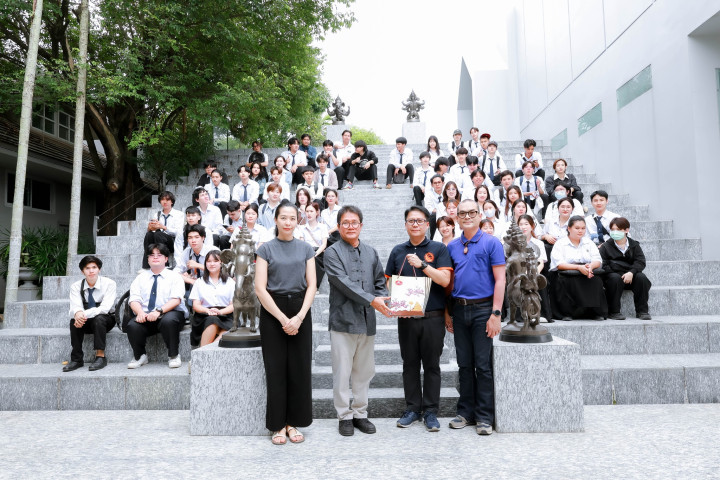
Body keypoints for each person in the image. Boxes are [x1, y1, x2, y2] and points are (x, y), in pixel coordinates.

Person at [324, 205, 390, 436]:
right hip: (343, 321)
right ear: (338, 226)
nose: (350, 226)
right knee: (342, 373)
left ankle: (360, 413)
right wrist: (373, 300)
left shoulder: (371, 252)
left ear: (361, 225)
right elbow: (343, 283)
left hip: (367, 320)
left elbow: (380, 281)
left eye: (354, 222)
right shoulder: (332, 253)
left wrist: (384, 299)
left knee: (364, 371)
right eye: (346, 223)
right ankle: (344, 416)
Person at [385, 206, 452, 431]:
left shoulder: (438, 248)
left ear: (427, 224)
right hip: (406, 317)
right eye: (411, 221)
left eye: (419, 220)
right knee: (410, 364)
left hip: (433, 317)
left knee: (432, 365)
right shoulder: (397, 251)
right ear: (405, 224)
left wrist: (423, 265)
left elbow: (444, 280)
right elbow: (387, 281)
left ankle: (431, 412)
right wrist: (397, 295)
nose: (415, 224)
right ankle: (412, 408)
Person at [255, 203, 317, 445]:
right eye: (283, 218)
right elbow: (260, 288)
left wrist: (299, 317)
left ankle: (294, 423)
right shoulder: (265, 249)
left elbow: (312, 285)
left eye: (292, 218)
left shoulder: (306, 249)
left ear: (297, 220)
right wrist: (282, 318)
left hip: (301, 309)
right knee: (276, 369)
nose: (288, 222)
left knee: (299, 369)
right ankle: (278, 425)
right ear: (276, 220)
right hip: (273, 311)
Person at [446, 199, 506, 435]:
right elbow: (449, 283)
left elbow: (500, 279)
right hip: (459, 310)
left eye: (472, 212)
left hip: (484, 310)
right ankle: (465, 413)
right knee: (464, 364)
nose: (467, 216)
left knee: (482, 366)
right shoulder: (452, 246)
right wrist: (448, 313)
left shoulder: (492, 243)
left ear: (480, 215)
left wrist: (496, 313)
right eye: (462, 213)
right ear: (457, 218)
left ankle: (484, 416)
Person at [126, 244, 187, 369]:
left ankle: (174, 355)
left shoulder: (175, 277)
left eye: (159, 255)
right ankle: (140, 356)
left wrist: (159, 311)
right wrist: (140, 312)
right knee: (132, 325)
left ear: (166, 259)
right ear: (147, 259)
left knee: (168, 320)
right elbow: (134, 299)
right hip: (147, 315)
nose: (155, 257)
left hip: (171, 313)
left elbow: (176, 300)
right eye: (152, 255)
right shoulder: (140, 278)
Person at [63, 255, 117, 372]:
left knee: (99, 319)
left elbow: (105, 308)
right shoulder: (76, 286)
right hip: (86, 321)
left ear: (99, 269)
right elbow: (75, 306)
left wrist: (82, 314)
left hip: (106, 320)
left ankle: (100, 357)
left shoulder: (109, 284)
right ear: (83, 271)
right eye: (87, 268)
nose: (91, 271)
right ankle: (77, 359)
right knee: (73, 321)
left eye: (94, 267)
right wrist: (77, 314)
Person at [549, 216, 607, 321]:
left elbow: (598, 260)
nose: (580, 231)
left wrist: (590, 267)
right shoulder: (560, 243)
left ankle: (594, 312)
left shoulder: (589, 242)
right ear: (569, 228)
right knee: (567, 281)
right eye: (577, 228)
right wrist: (578, 267)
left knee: (596, 280)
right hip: (567, 272)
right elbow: (559, 264)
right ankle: (567, 313)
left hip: (586, 270)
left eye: (583, 228)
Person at [600, 217, 652, 320]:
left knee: (641, 278)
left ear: (626, 230)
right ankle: (614, 312)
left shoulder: (634, 245)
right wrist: (620, 273)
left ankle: (642, 311)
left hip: (630, 276)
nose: (615, 232)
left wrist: (631, 272)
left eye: (618, 229)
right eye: (613, 229)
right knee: (614, 278)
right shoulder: (605, 246)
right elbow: (603, 265)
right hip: (613, 277)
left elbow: (640, 262)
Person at [189, 250, 235, 347]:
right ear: (205, 264)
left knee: (228, 331)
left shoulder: (230, 282)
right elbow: (196, 306)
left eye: (215, 261)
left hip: (225, 314)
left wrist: (220, 312)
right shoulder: (199, 282)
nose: (212, 264)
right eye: (209, 261)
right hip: (204, 315)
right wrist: (208, 311)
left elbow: (233, 305)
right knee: (212, 320)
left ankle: (204, 352)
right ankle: (204, 352)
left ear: (221, 262)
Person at [517, 214, 552, 321]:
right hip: (519, 271)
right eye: (521, 224)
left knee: (539, 280)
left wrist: (534, 273)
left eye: (526, 224)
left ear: (532, 226)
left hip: (535, 271)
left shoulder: (539, 243)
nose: (523, 227)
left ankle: (541, 314)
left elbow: (541, 262)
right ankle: (523, 314)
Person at [142, 191, 184, 269]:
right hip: (158, 239)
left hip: (173, 242)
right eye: (162, 199)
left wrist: (163, 227)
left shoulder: (179, 214)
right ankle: (147, 265)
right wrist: (150, 228)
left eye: (167, 200)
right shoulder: (157, 215)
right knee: (149, 234)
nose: (165, 202)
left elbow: (178, 232)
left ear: (172, 202)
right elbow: (153, 231)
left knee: (159, 234)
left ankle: (165, 264)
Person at [298, 202, 329, 288]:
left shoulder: (323, 227)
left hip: (319, 253)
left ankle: (315, 286)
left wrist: (315, 254)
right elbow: (302, 243)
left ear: (317, 212)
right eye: (307, 211)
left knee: (314, 260)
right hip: (306, 252)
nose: (309, 214)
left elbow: (324, 244)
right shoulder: (302, 228)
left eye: (311, 211)